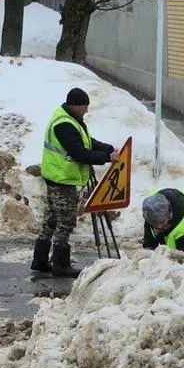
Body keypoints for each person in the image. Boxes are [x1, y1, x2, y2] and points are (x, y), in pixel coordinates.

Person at [33, 87, 119, 277]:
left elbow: (87, 142)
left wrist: (109, 149)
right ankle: (60, 264)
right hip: (62, 178)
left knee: (51, 219)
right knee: (65, 220)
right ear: (76, 106)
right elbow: (80, 153)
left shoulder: (69, 118)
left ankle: (40, 261)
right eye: (85, 107)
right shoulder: (65, 124)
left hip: (56, 176)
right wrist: (107, 157)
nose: (87, 111)